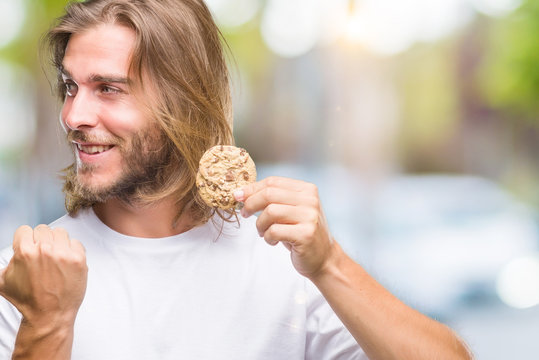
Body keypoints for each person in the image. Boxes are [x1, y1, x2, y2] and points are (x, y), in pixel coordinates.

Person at [0, 0, 472, 359]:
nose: (73, 115)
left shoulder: (285, 264)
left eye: (108, 88)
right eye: (70, 86)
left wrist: (329, 264)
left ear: (184, 101)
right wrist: (47, 323)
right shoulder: (26, 276)